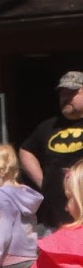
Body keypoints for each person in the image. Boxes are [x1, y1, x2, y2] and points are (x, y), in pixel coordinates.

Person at [19, 70, 83, 232]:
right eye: (63, 93)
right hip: (54, 219)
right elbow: (26, 151)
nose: (66, 98)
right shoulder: (49, 126)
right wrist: (42, 181)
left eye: (72, 93)